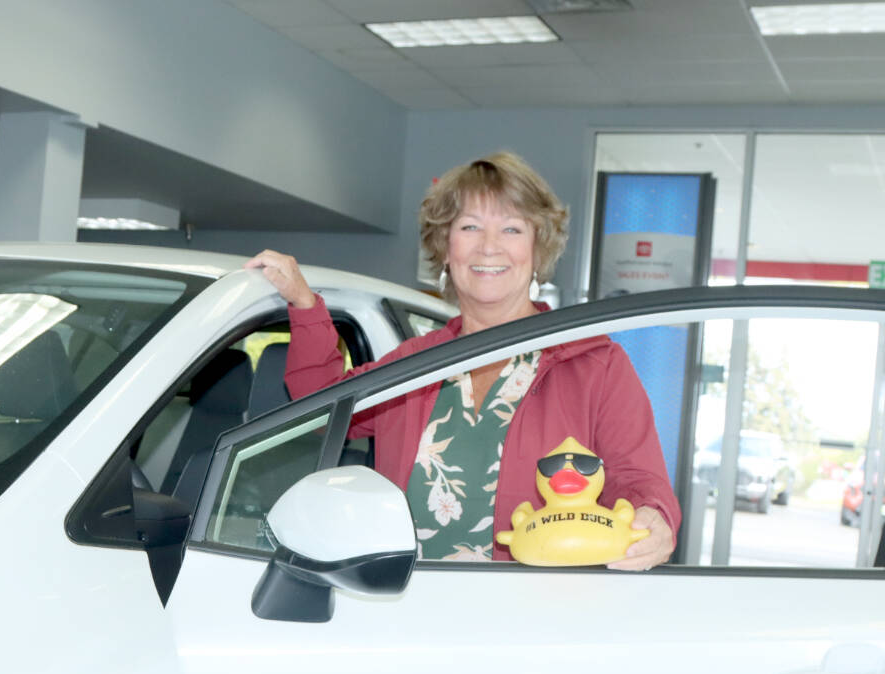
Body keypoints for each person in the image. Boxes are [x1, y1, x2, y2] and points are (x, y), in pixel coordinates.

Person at [246, 151, 679, 570]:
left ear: (537, 249)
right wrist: (305, 305)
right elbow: (321, 407)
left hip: (532, 617)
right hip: (405, 609)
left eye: (511, 229)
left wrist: (653, 519)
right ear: (446, 248)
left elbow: (638, 480)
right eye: (470, 227)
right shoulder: (417, 363)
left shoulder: (595, 365)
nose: (489, 247)